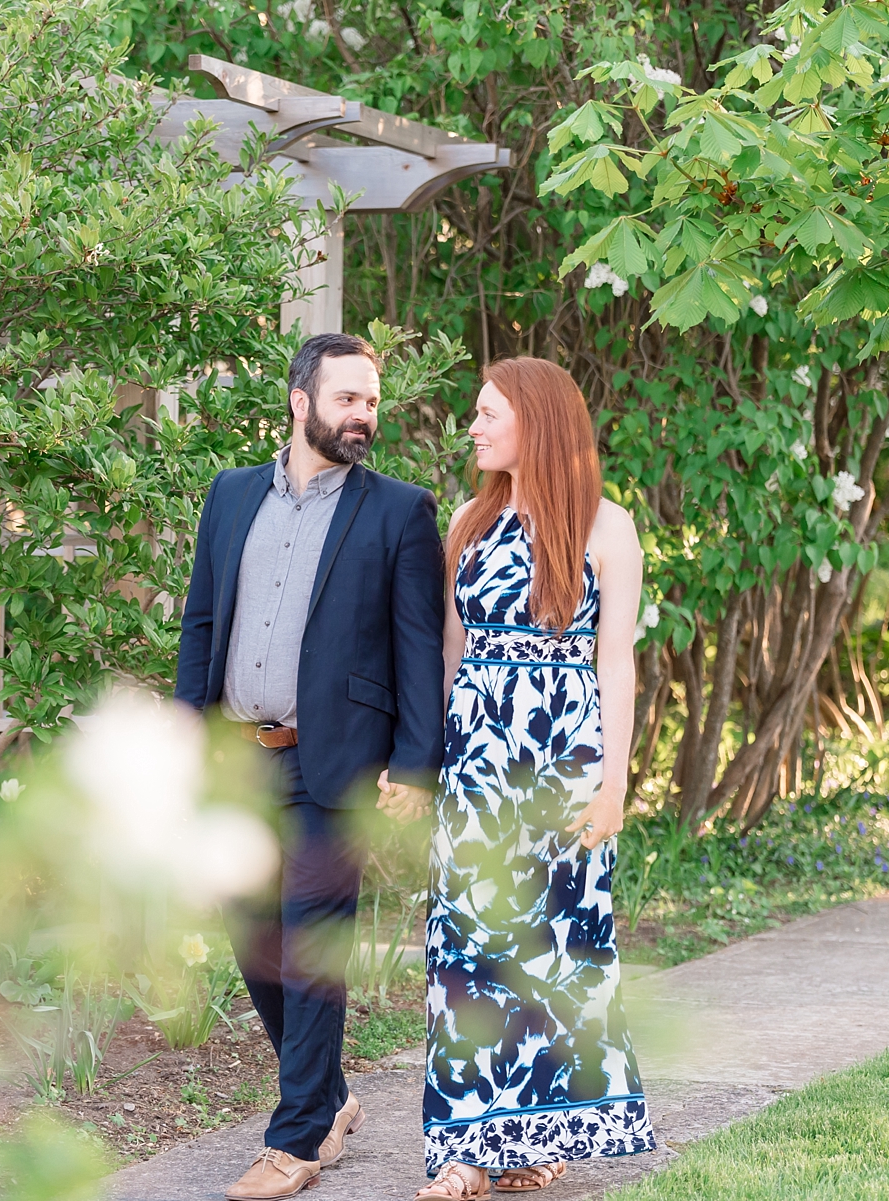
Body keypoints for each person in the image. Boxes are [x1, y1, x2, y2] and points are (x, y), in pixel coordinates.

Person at [176, 332, 447, 1201]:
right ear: (300, 401)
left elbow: (417, 646)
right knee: (254, 940)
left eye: (371, 400)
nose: (364, 415)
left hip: (337, 766)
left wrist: (412, 764)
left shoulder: (399, 511)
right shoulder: (228, 496)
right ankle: (329, 1097)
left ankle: (294, 1141)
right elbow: (201, 628)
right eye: (347, 399)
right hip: (237, 760)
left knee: (311, 952)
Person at [409, 357, 655, 1198]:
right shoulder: (468, 522)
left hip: (564, 759)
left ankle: (533, 1135)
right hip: (478, 762)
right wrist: (437, 768)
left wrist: (615, 782)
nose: (471, 426)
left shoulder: (604, 525)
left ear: (535, 420)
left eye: (486, 413)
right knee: (467, 946)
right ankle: (463, 1149)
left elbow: (614, 662)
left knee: (555, 943)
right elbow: (449, 655)